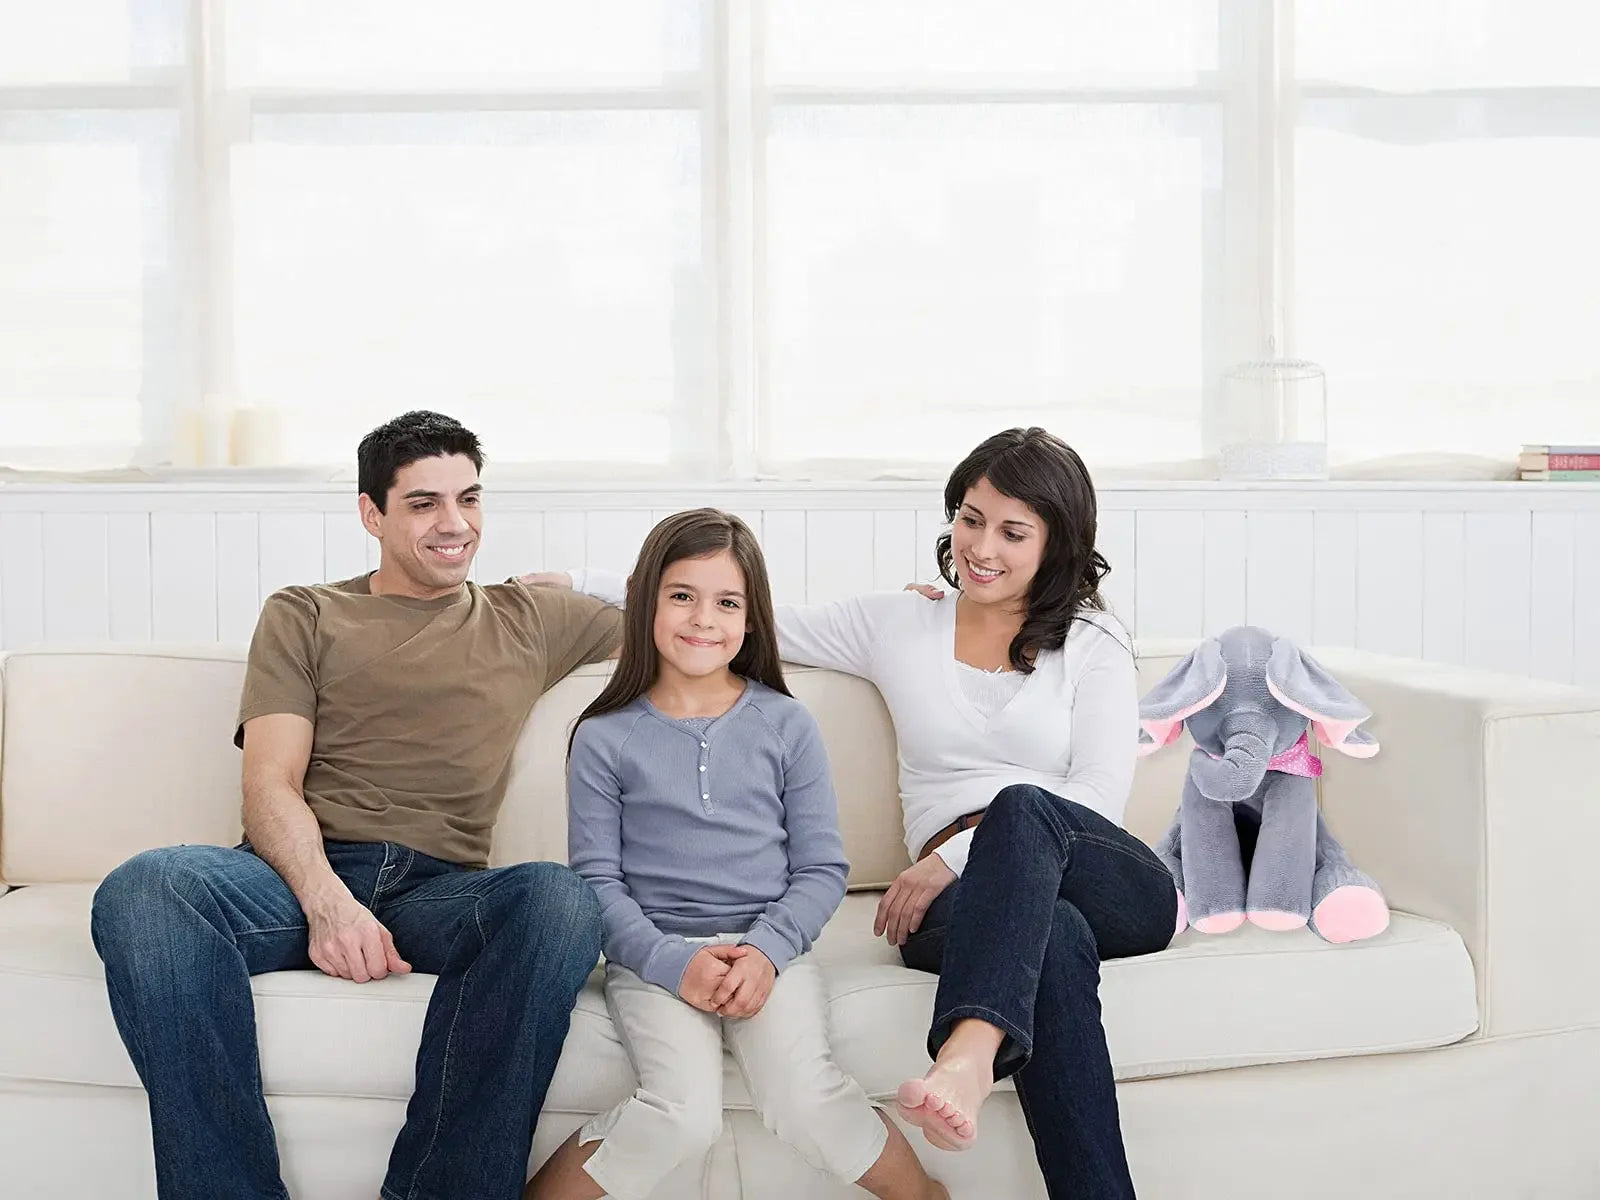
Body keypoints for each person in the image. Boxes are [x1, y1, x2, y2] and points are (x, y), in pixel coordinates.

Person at [545, 428, 1178, 1199]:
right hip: (973, 912)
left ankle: (968, 1058)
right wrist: (578, 578)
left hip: (1096, 869)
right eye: (970, 519)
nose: (981, 546)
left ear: (1059, 543)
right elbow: (742, 614)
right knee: (1056, 943)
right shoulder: (900, 623)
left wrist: (950, 857)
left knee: (1022, 810)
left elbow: (1099, 796)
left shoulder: (1094, 641)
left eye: (1013, 531)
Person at [90, 410, 625, 1200]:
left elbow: (690, 611)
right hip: (293, 879)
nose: (455, 525)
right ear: (372, 514)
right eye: (424, 504)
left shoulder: (530, 619)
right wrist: (329, 905)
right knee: (147, 887)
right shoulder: (306, 612)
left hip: (439, 892)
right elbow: (269, 782)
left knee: (560, 899)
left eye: (469, 499)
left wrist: (579, 581)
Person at [526, 509, 946, 1200]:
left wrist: (766, 952)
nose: (703, 619)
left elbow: (820, 870)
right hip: (653, 959)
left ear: (751, 619)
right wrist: (672, 962)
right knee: (681, 1116)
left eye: (727, 603)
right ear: (647, 603)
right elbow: (596, 881)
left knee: (805, 1100)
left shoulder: (786, 723)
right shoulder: (603, 735)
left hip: (768, 952)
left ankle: (928, 1195)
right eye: (681, 596)